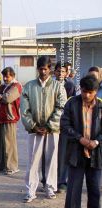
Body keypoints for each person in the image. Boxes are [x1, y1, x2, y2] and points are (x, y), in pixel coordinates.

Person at [21, 55, 67, 203]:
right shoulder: (29, 86)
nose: (43, 72)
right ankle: (30, 190)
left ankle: (50, 188)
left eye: (45, 69)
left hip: (52, 130)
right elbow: (24, 110)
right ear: (37, 69)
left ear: (50, 69)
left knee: (52, 159)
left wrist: (49, 126)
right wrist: (33, 126)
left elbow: (61, 107)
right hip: (35, 130)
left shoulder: (58, 86)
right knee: (33, 160)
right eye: (40, 69)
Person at [61, 75, 102, 208]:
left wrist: (96, 142)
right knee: (73, 188)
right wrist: (80, 139)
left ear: (96, 92)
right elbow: (65, 124)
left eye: (90, 92)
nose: (86, 95)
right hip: (76, 152)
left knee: (95, 188)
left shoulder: (101, 106)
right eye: (84, 91)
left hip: (96, 154)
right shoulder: (72, 103)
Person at [0, 67, 22, 175]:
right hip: (1, 117)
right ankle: (2, 164)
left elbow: (8, 98)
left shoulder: (16, 86)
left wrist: (0, 96)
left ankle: (12, 166)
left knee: (10, 144)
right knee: (0, 143)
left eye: (7, 76)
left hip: (10, 118)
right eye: (4, 76)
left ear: (13, 76)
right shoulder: (3, 87)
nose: (5, 78)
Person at [54, 61, 69, 193]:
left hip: (65, 125)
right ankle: (47, 180)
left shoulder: (71, 86)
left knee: (63, 154)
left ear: (66, 73)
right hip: (50, 125)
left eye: (63, 71)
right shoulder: (49, 85)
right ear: (54, 72)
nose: (60, 73)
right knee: (49, 154)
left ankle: (62, 182)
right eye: (58, 71)